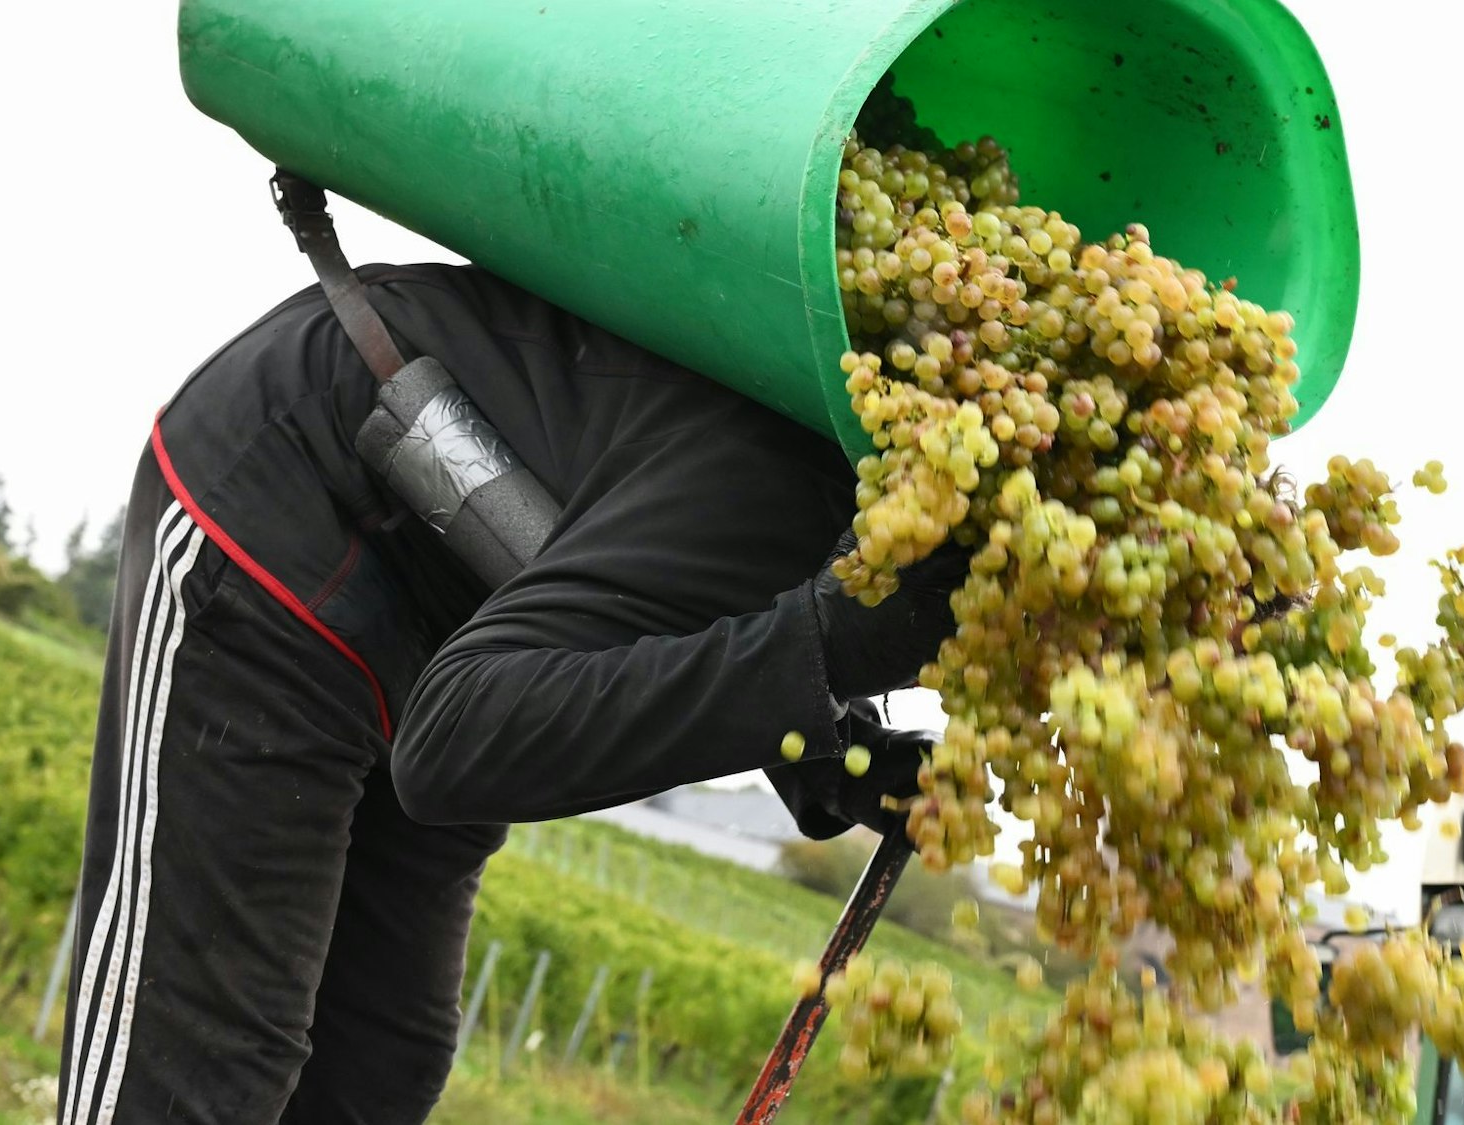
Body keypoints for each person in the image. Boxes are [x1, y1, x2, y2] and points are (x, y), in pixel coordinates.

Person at [54, 260, 968, 1125]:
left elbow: (656, 593)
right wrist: (811, 656)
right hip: (289, 508)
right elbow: (450, 750)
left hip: (468, 611)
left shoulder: (841, 503)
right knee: (204, 1068)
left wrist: (814, 734)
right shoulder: (786, 483)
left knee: (377, 1064)